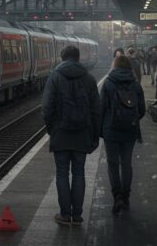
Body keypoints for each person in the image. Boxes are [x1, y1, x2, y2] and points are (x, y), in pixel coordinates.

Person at [42, 46, 101, 226]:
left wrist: (52, 129)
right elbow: (96, 111)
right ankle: (77, 216)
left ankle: (64, 214)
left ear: (62, 57)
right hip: (82, 133)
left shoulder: (55, 77)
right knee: (79, 173)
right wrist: (95, 136)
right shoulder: (89, 78)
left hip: (61, 132)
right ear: (78, 57)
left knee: (61, 173)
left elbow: (47, 107)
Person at [100, 55, 145, 214]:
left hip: (111, 131)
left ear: (115, 65)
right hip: (130, 131)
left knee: (113, 165)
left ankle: (117, 196)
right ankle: (126, 197)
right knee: (126, 163)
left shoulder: (108, 83)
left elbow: (101, 108)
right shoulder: (136, 85)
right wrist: (130, 120)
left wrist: (103, 127)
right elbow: (141, 110)